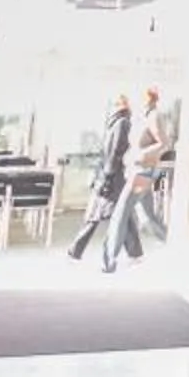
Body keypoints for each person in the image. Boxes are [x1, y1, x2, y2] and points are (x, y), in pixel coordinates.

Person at [68, 93, 132, 270]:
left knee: (107, 218)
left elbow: (115, 151)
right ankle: (118, 256)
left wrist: (108, 176)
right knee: (111, 218)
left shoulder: (121, 123)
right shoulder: (118, 122)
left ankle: (100, 256)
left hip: (110, 178)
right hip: (109, 177)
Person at [109, 85, 168, 264]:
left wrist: (141, 155)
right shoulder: (142, 117)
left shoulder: (154, 116)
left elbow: (164, 143)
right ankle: (175, 245)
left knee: (121, 211)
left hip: (143, 171)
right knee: (148, 217)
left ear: (148, 99)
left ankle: (109, 258)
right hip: (139, 171)